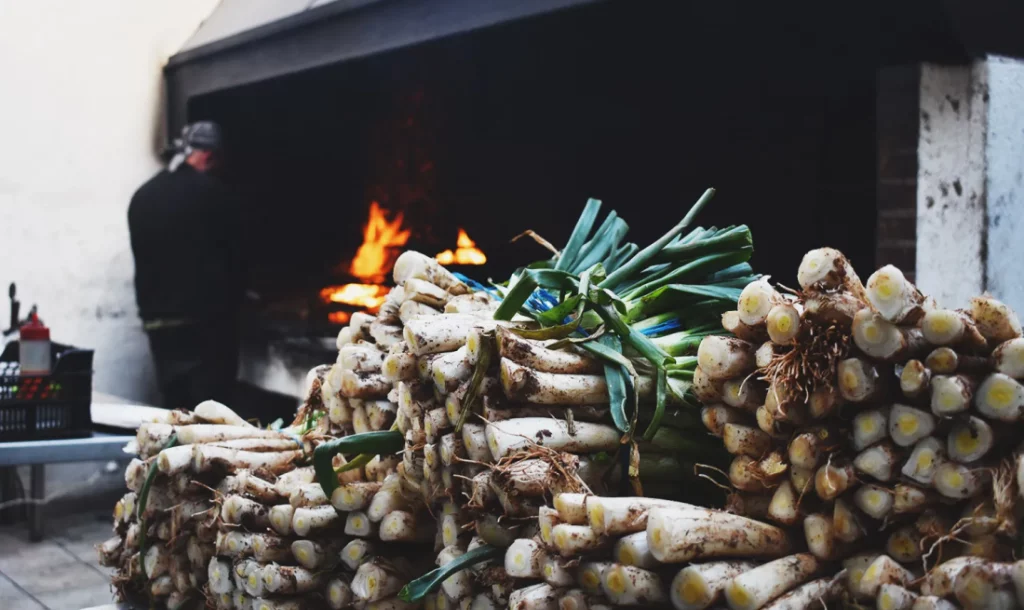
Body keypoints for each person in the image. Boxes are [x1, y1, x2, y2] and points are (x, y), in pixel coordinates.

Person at [128, 121, 243, 410]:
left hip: (158, 326)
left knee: (176, 413)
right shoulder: (213, 193)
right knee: (212, 417)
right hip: (205, 329)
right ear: (207, 155)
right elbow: (235, 259)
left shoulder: (143, 196)